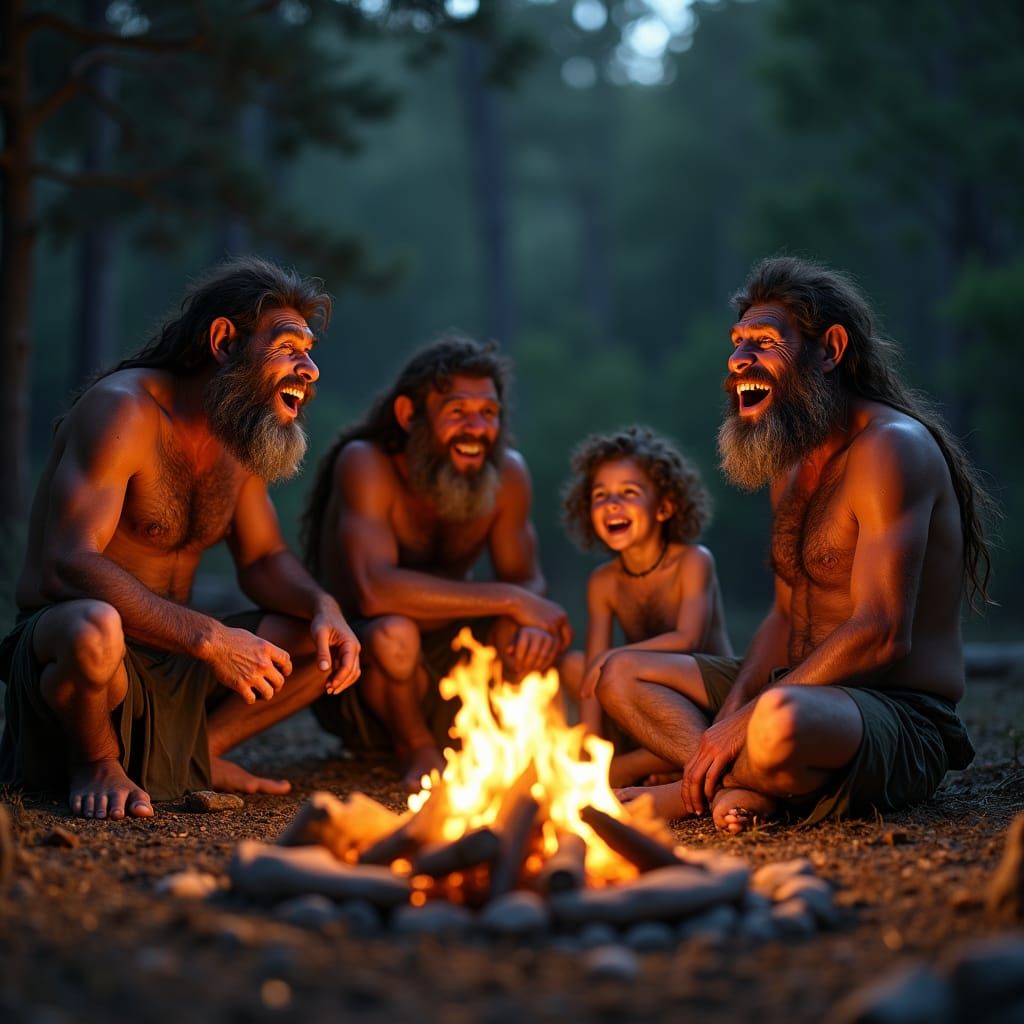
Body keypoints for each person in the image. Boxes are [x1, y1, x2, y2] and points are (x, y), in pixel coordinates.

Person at [601, 255, 988, 831]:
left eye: (763, 341)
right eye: (736, 343)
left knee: (779, 720)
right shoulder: (791, 456)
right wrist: (726, 724)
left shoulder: (891, 449)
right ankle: (734, 781)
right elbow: (784, 616)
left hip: (895, 713)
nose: (738, 361)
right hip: (793, 688)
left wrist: (749, 720)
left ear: (829, 350)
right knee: (619, 673)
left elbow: (883, 633)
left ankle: (685, 795)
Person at [0, 257, 361, 821]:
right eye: (290, 348)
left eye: (310, 352)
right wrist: (210, 638)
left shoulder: (237, 434)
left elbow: (264, 558)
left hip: (173, 661)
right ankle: (95, 762)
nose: (309, 369)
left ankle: (200, 755)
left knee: (320, 643)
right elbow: (67, 564)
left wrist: (324, 605)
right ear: (224, 341)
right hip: (83, 661)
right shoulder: (126, 410)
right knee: (95, 627)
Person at [302, 334, 571, 791]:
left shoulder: (507, 475)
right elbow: (375, 590)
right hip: (359, 678)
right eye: (457, 412)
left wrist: (526, 619)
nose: (476, 429)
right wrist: (512, 600)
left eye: (488, 413)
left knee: (519, 630)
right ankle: (415, 747)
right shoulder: (367, 464)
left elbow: (527, 579)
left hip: (454, 674)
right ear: (410, 415)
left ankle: (505, 747)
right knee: (395, 633)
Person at [560, 425, 732, 788]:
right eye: (600, 495)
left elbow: (687, 639)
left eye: (629, 492)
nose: (612, 505)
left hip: (703, 704)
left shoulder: (693, 562)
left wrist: (613, 657)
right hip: (637, 696)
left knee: (611, 665)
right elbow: (593, 669)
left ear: (665, 508)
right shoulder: (604, 582)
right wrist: (594, 752)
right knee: (575, 666)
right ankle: (637, 765)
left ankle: (639, 767)